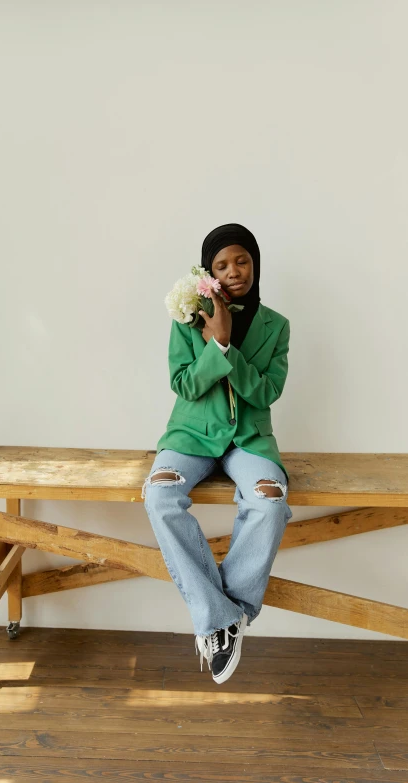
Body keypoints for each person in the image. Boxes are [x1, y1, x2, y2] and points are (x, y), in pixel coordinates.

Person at [141, 223, 293, 685]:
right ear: (209, 271)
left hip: (249, 439)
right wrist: (216, 342)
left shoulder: (277, 326)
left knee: (270, 502)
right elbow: (184, 383)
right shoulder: (186, 319)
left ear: (255, 264)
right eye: (222, 264)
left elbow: (266, 392)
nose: (234, 272)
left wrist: (229, 346)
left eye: (242, 261)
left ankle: (227, 616)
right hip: (190, 436)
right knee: (159, 495)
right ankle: (221, 617)